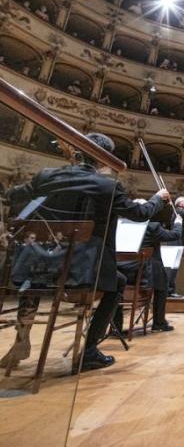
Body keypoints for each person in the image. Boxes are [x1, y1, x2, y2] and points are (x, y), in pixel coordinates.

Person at [1, 133, 170, 371]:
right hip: (81, 271)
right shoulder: (107, 186)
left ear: (78, 153)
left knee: (35, 275)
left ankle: (22, 339)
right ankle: (88, 350)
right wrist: (157, 199)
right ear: (104, 160)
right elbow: (139, 214)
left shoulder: (45, 176)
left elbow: (12, 196)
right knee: (117, 283)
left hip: (38, 265)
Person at [117, 205, 183, 332]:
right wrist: (178, 223)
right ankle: (159, 322)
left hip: (122, 273)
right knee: (162, 283)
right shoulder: (151, 227)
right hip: (144, 276)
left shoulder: (120, 226)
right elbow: (174, 236)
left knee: (116, 286)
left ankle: (116, 327)